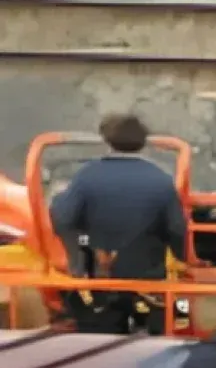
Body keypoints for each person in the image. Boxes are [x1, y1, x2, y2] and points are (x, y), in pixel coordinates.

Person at [49, 113, 187, 335]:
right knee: (164, 332)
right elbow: (177, 228)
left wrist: (76, 259)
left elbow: (63, 217)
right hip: (150, 281)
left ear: (107, 140)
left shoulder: (87, 176)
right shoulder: (161, 180)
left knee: (99, 340)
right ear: (143, 143)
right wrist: (184, 260)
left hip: (101, 281)